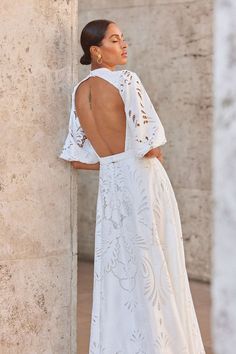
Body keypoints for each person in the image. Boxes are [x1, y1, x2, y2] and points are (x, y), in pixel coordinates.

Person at [59, 19, 206, 354]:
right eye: (115, 39)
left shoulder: (79, 92)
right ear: (96, 51)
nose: (123, 45)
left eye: (123, 39)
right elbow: (152, 145)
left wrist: (113, 163)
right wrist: (131, 160)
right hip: (144, 181)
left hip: (112, 188)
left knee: (119, 273)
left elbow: (77, 159)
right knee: (158, 266)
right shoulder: (126, 80)